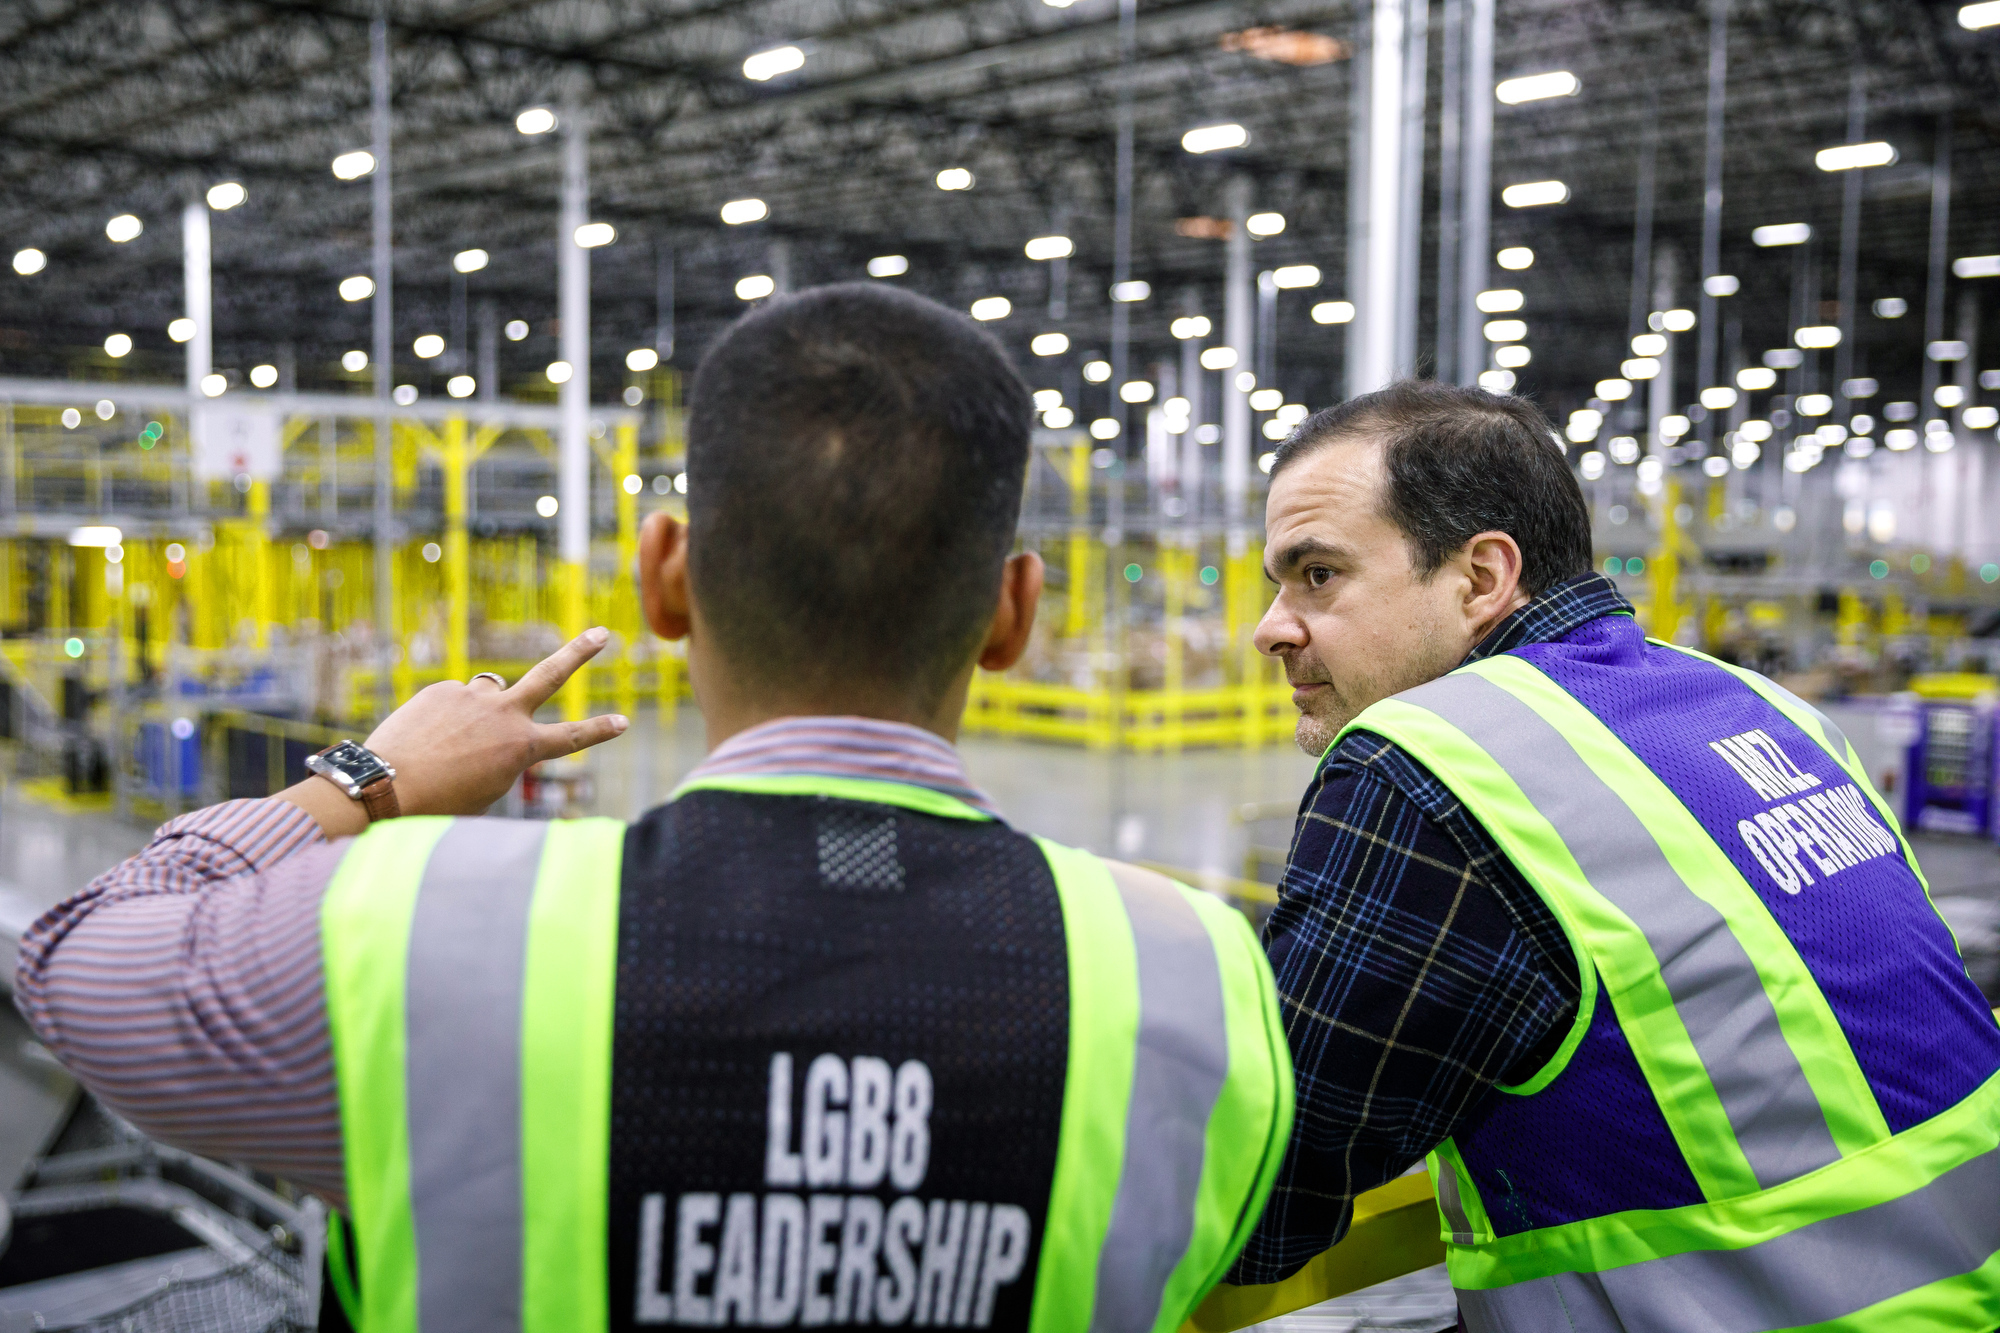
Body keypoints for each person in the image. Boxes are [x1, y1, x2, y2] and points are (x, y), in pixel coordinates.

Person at [16, 284, 1292, 1333]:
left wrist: (366, 778)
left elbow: (70, 961)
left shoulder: (416, 937)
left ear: (664, 577)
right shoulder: (1194, 977)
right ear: (1015, 612)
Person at [1229, 378, 2000, 1330]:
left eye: (1317, 575)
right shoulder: (1763, 707)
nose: (1271, 626)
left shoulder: (1432, 767)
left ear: (1480, 577)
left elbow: (1260, 1198)